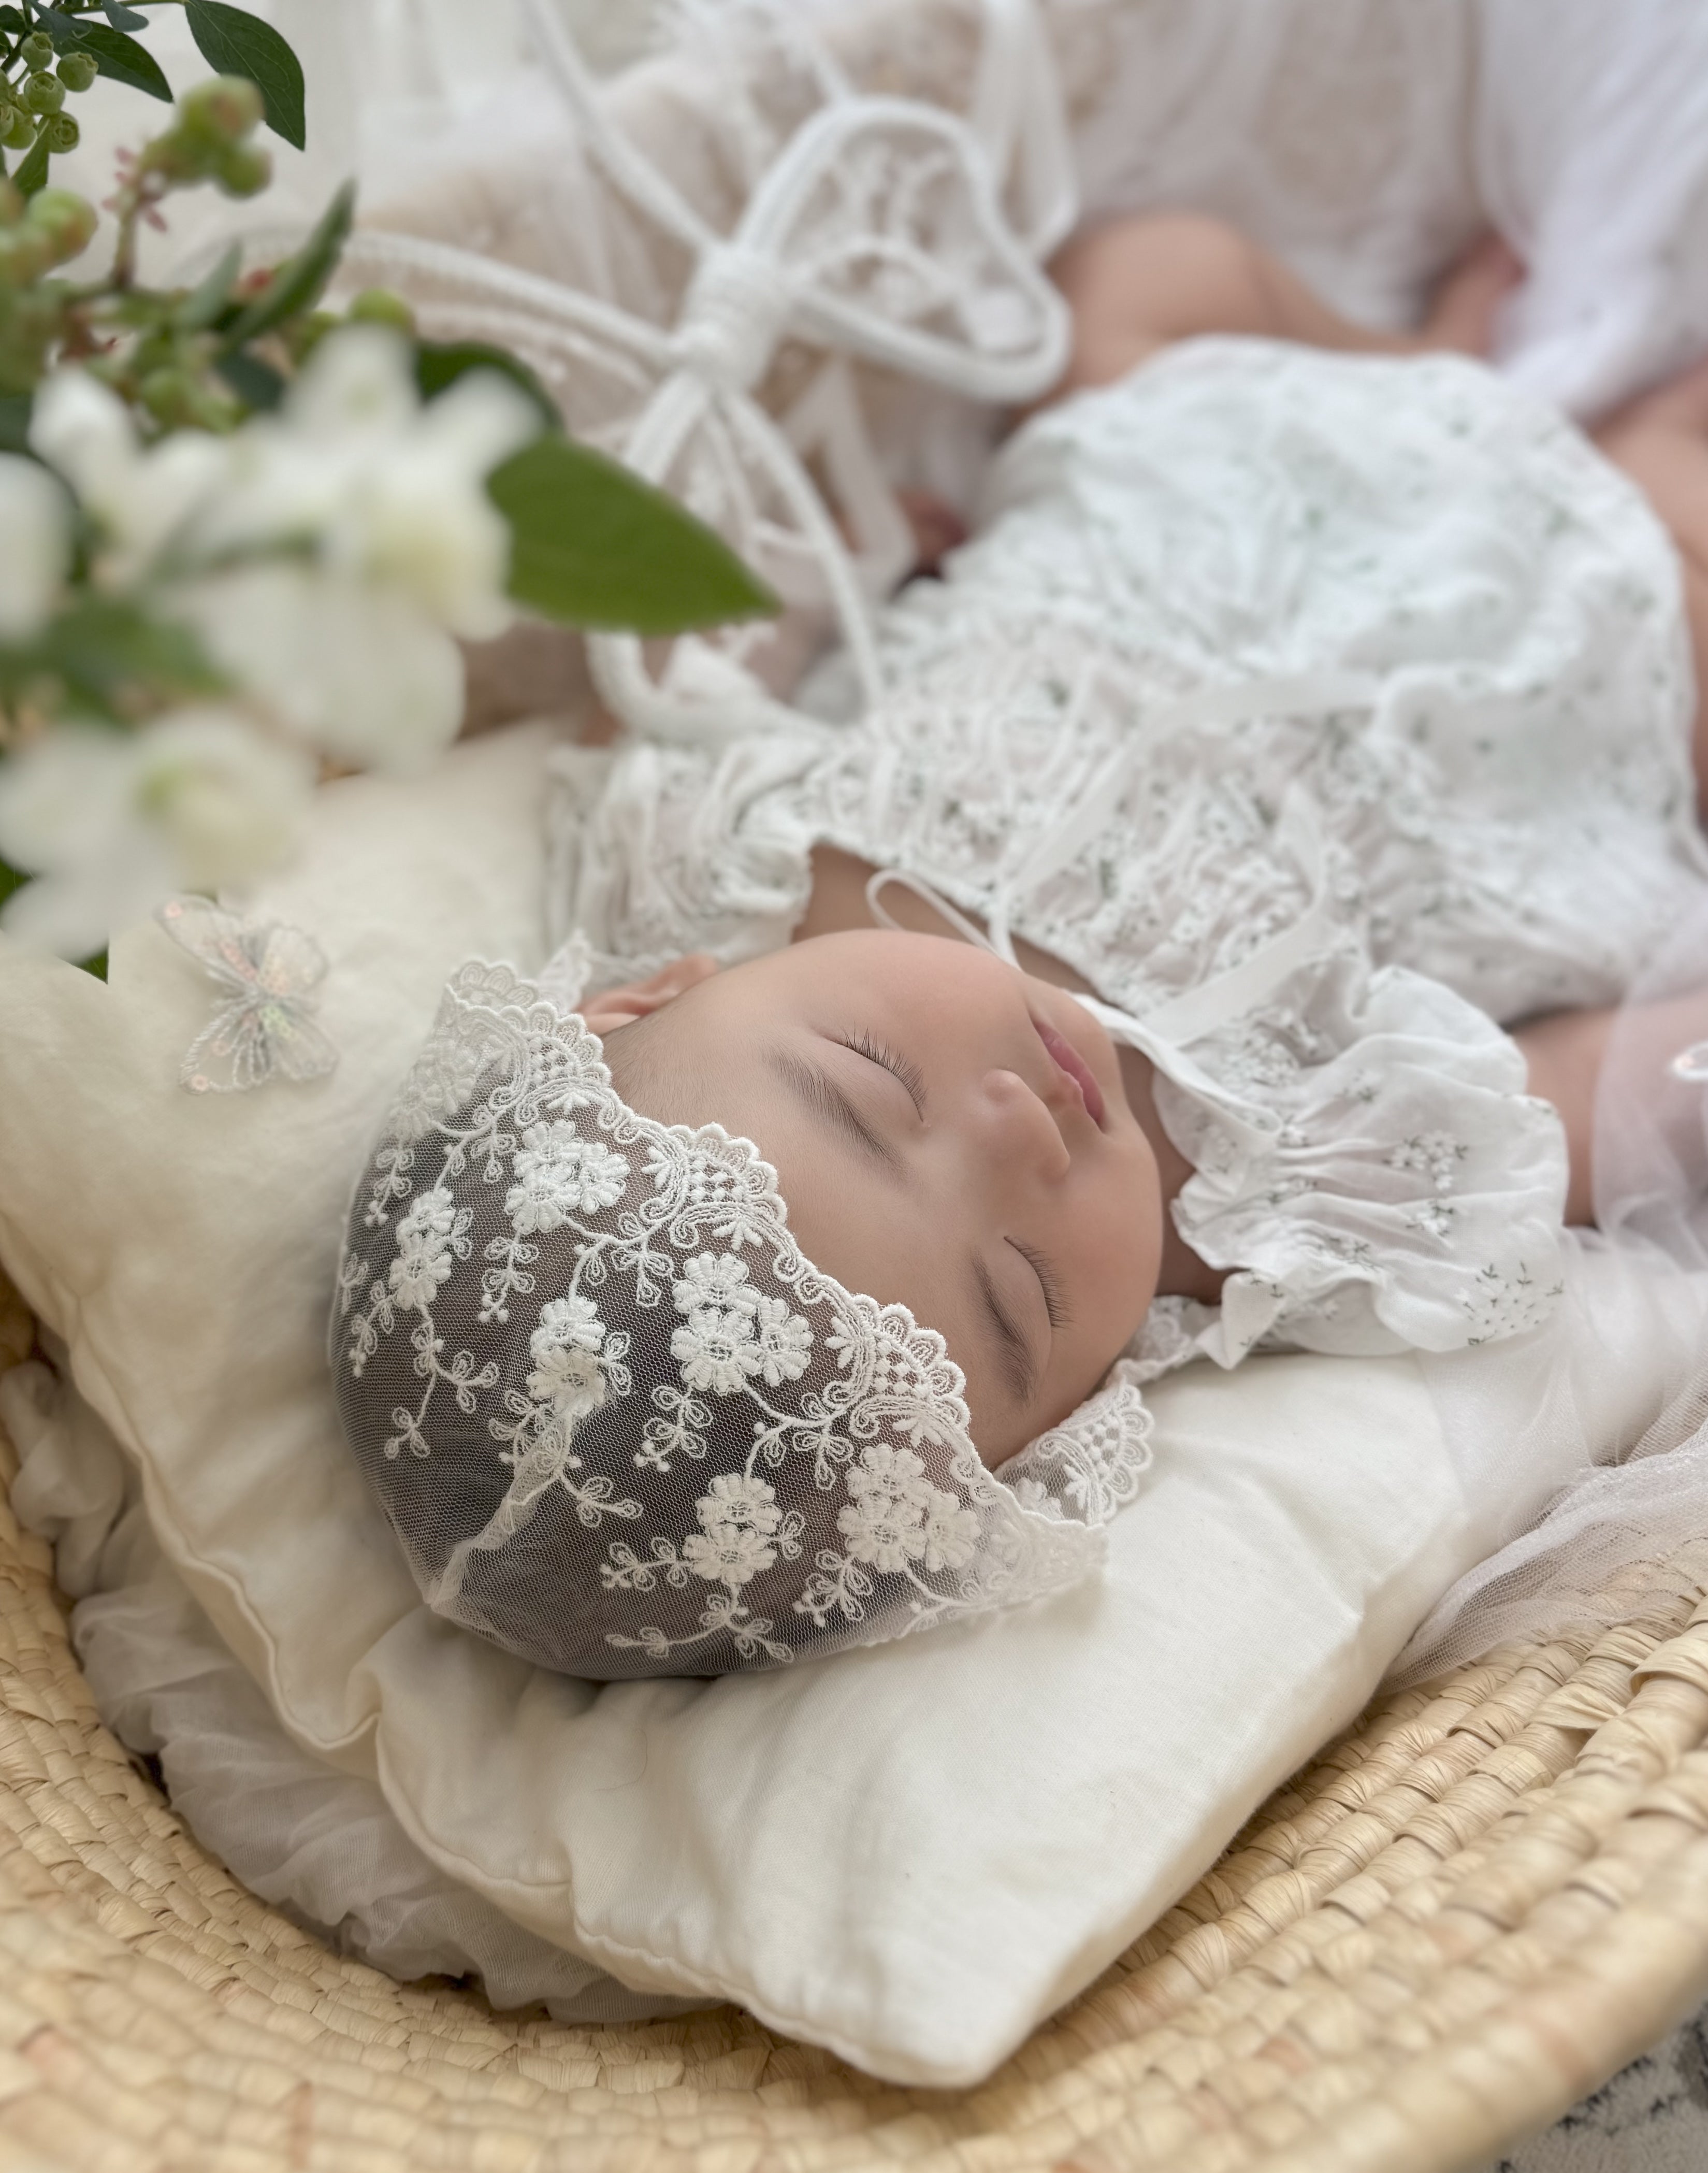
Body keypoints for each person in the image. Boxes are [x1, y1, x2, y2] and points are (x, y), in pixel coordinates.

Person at [334, 215, 1708, 1677]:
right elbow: (1575, 1101)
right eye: (1021, 1298)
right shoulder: (1243, 1212)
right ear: (1049, 1439)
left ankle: (1420, 363)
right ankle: (1573, 434)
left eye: (868, 1087)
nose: (1018, 1130)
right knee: (1671, 501)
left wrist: (820, 569)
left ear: (646, 993)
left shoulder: (708, 873)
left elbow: (682, 676)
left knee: (1134, 270)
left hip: (1180, 509)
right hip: (1517, 689)